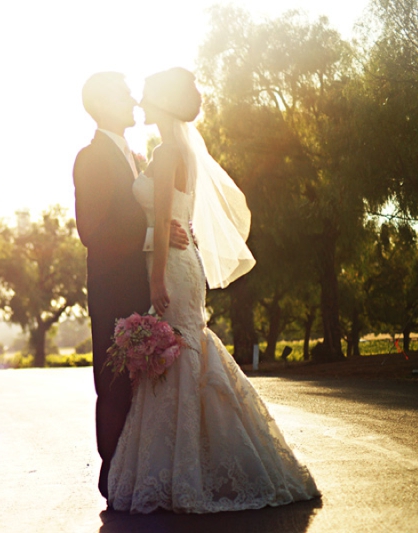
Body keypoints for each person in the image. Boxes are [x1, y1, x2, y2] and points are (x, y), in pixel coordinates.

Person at [107, 67, 320, 513]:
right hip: (185, 263)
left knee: (179, 355)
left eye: (146, 95)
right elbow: (174, 218)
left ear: (162, 103)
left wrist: (155, 276)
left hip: (170, 266)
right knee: (185, 352)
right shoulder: (175, 149)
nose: (141, 102)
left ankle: (186, 473)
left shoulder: (167, 154)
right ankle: (193, 464)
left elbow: (165, 222)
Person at [72, 72, 190, 503]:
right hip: (111, 289)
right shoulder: (91, 158)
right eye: (123, 93)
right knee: (114, 381)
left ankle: (141, 471)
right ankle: (113, 476)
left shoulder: (134, 155)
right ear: (103, 104)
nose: (132, 99)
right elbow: (91, 232)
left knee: (145, 382)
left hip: (143, 285)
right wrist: (150, 238)